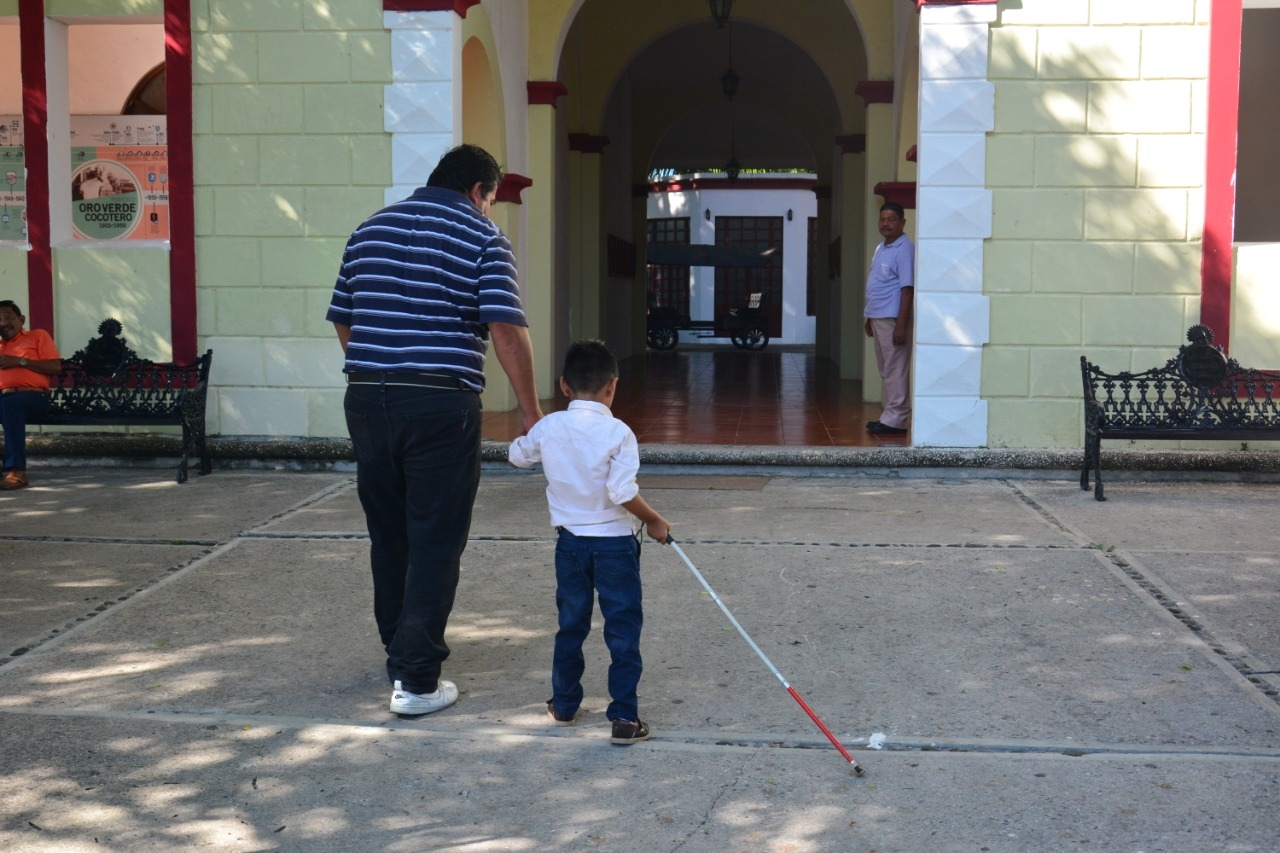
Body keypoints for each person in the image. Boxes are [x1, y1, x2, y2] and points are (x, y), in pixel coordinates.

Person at [327, 144, 543, 716]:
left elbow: (344, 317)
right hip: (440, 404)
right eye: (492, 200)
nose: (491, 211)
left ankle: (399, 648)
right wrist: (530, 412)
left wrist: (382, 372)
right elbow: (505, 329)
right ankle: (418, 682)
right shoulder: (482, 237)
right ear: (478, 190)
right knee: (436, 536)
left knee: (389, 529)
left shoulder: (369, 228)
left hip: (367, 398)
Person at [508, 340, 671, 746]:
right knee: (622, 630)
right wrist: (654, 520)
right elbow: (620, 492)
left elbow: (516, 456)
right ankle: (624, 718)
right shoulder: (619, 433)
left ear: (564, 385)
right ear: (612, 387)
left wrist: (531, 428)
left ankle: (564, 705)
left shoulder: (549, 427)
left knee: (571, 624)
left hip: (571, 546)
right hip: (615, 546)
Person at [863, 201, 915, 436]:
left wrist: (901, 324)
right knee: (886, 369)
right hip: (879, 317)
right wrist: (869, 316)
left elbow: (907, 288)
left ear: (902, 222)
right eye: (882, 219)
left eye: (891, 219)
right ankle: (891, 416)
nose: (885, 224)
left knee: (895, 369)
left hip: (894, 320)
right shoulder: (881, 248)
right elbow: (877, 285)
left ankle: (896, 420)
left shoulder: (905, 249)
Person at [0, 300, 62, 490]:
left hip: (33, 399)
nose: (3, 323)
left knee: (10, 405)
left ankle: (17, 470)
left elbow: (56, 367)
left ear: (21, 319)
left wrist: (19, 361)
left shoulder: (37, 336)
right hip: (4, 398)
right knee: (7, 404)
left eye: (8, 317)